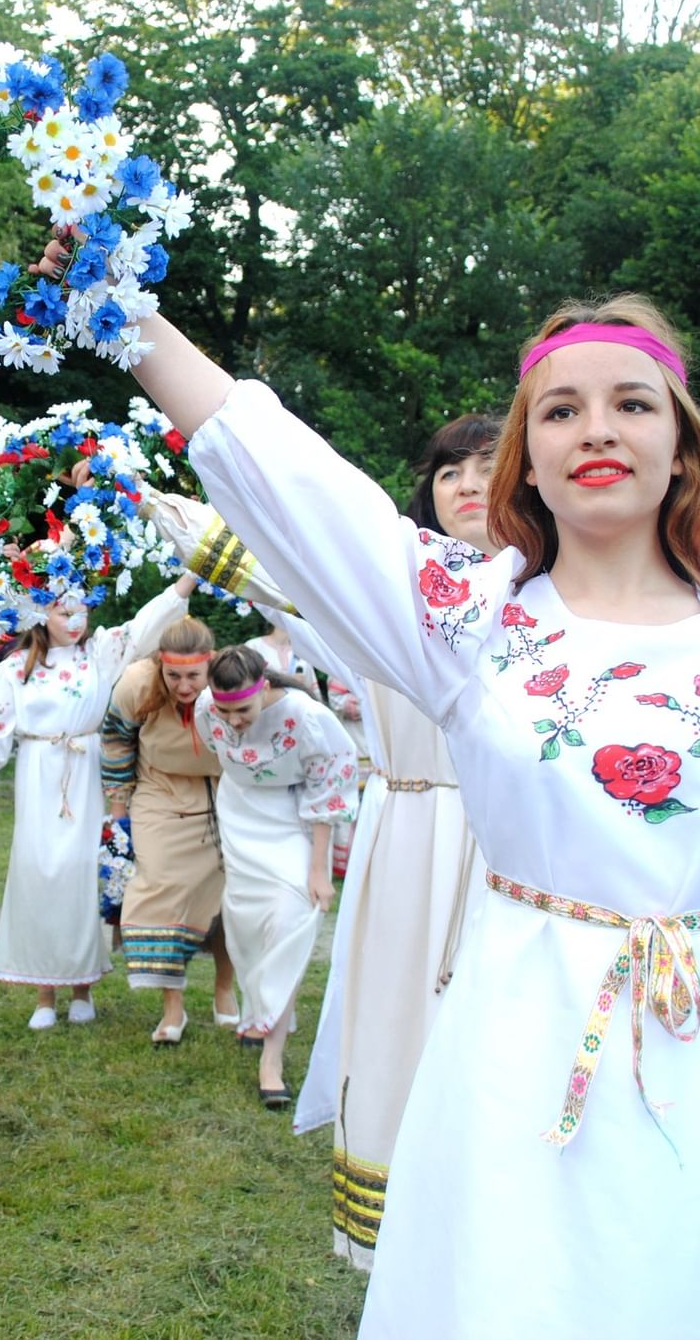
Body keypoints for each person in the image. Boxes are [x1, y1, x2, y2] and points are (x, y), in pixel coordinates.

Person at [106, 283, 700, 1336]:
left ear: (683, 446)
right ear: (528, 454)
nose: (595, 429)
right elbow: (295, 479)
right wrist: (119, 307)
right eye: (559, 410)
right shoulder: (465, 621)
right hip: (523, 1032)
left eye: (630, 404)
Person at [287, 413, 499, 1270]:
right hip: (404, 830)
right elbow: (299, 582)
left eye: (488, 466)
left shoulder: (553, 590)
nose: (467, 484)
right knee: (394, 1019)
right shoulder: (396, 584)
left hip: (502, 839)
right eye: (449, 472)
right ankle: (405, 1234)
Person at [0, 575, 196, 1028]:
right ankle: (44, 993)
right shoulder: (14, 670)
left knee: (81, 871)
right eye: (63, 611)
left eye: (80, 610)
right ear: (39, 615)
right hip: (38, 771)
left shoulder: (100, 653)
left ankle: (83, 985)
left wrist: (183, 585)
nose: (75, 620)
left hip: (86, 769)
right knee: (38, 870)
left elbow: (144, 627)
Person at [196, 645, 358, 1107]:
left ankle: (272, 1057)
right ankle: (258, 1008)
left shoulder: (306, 715)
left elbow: (329, 784)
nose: (234, 721)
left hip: (292, 819)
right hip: (240, 816)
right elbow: (218, 750)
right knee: (249, 926)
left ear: (264, 688)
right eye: (225, 711)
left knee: (289, 921)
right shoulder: (208, 710)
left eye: (243, 710)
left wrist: (318, 869)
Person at [99, 616, 240, 1042]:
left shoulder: (230, 680)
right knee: (159, 886)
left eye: (193, 676)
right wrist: (117, 808)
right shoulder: (136, 685)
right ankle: (172, 1007)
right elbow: (116, 740)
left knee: (228, 897)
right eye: (173, 675)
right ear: (160, 663)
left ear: (210, 664)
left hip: (221, 792)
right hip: (159, 790)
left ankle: (224, 987)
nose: (183, 687)